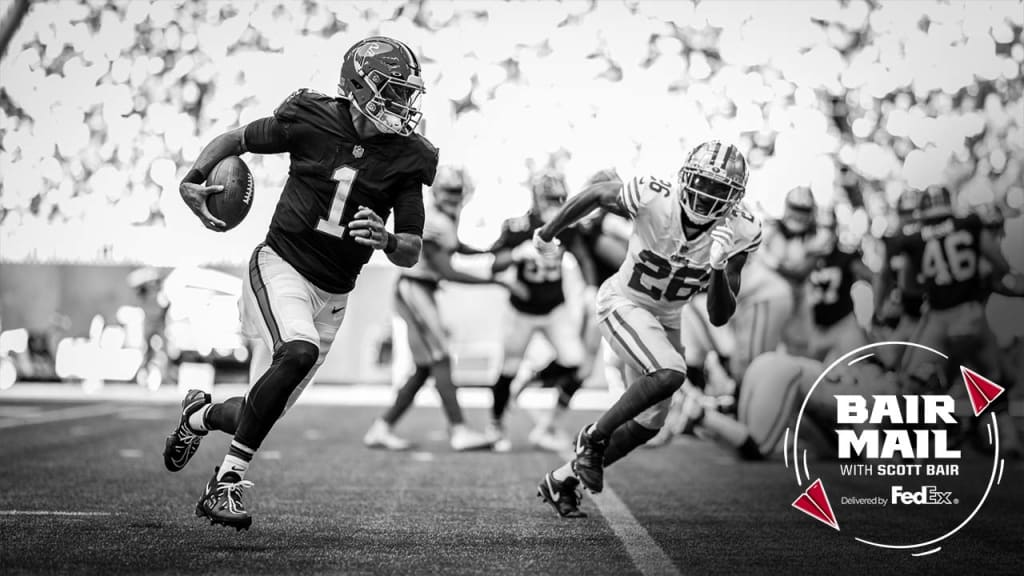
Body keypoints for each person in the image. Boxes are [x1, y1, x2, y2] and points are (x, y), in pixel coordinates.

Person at [162, 36, 437, 530]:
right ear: (359, 87)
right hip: (280, 265)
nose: (401, 104)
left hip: (333, 295)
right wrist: (194, 176)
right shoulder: (312, 119)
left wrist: (386, 240)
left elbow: (412, 249)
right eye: (392, 91)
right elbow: (237, 139)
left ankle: (197, 417)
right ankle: (224, 483)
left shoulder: (407, 156)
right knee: (299, 351)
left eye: (405, 94)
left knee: (256, 409)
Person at [532, 141, 762, 517]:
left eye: (719, 189)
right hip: (623, 302)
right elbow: (597, 194)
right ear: (685, 177)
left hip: (667, 317)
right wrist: (548, 232)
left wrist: (719, 268)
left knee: (649, 424)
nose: (706, 196)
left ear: (734, 197)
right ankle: (593, 437)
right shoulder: (655, 197)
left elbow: (721, 315)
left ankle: (562, 481)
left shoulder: (739, 230)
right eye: (702, 182)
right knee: (671, 371)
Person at [364, 166, 504, 452]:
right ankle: (459, 430)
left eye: (457, 191)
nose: (454, 196)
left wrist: (486, 251)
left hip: (422, 289)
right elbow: (447, 270)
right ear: (438, 191)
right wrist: (494, 281)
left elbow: (454, 247)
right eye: (450, 191)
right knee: (440, 357)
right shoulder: (434, 220)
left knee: (426, 367)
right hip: (415, 289)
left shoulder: (447, 217)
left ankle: (382, 427)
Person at [881, 185, 1023, 455]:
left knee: (917, 383)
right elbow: (1001, 266)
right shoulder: (969, 225)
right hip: (972, 317)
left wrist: (935, 283)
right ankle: (1007, 440)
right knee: (990, 381)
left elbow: (908, 286)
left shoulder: (913, 239)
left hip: (939, 322)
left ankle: (924, 443)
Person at [486, 170, 596, 452]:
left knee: (574, 362)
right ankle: (496, 424)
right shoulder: (517, 226)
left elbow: (582, 255)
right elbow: (494, 264)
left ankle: (534, 386)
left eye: (560, 198)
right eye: (550, 198)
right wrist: (515, 254)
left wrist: (589, 287)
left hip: (553, 309)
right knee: (508, 367)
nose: (556, 203)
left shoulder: (567, 225)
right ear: (536, 198)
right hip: (521, 310)